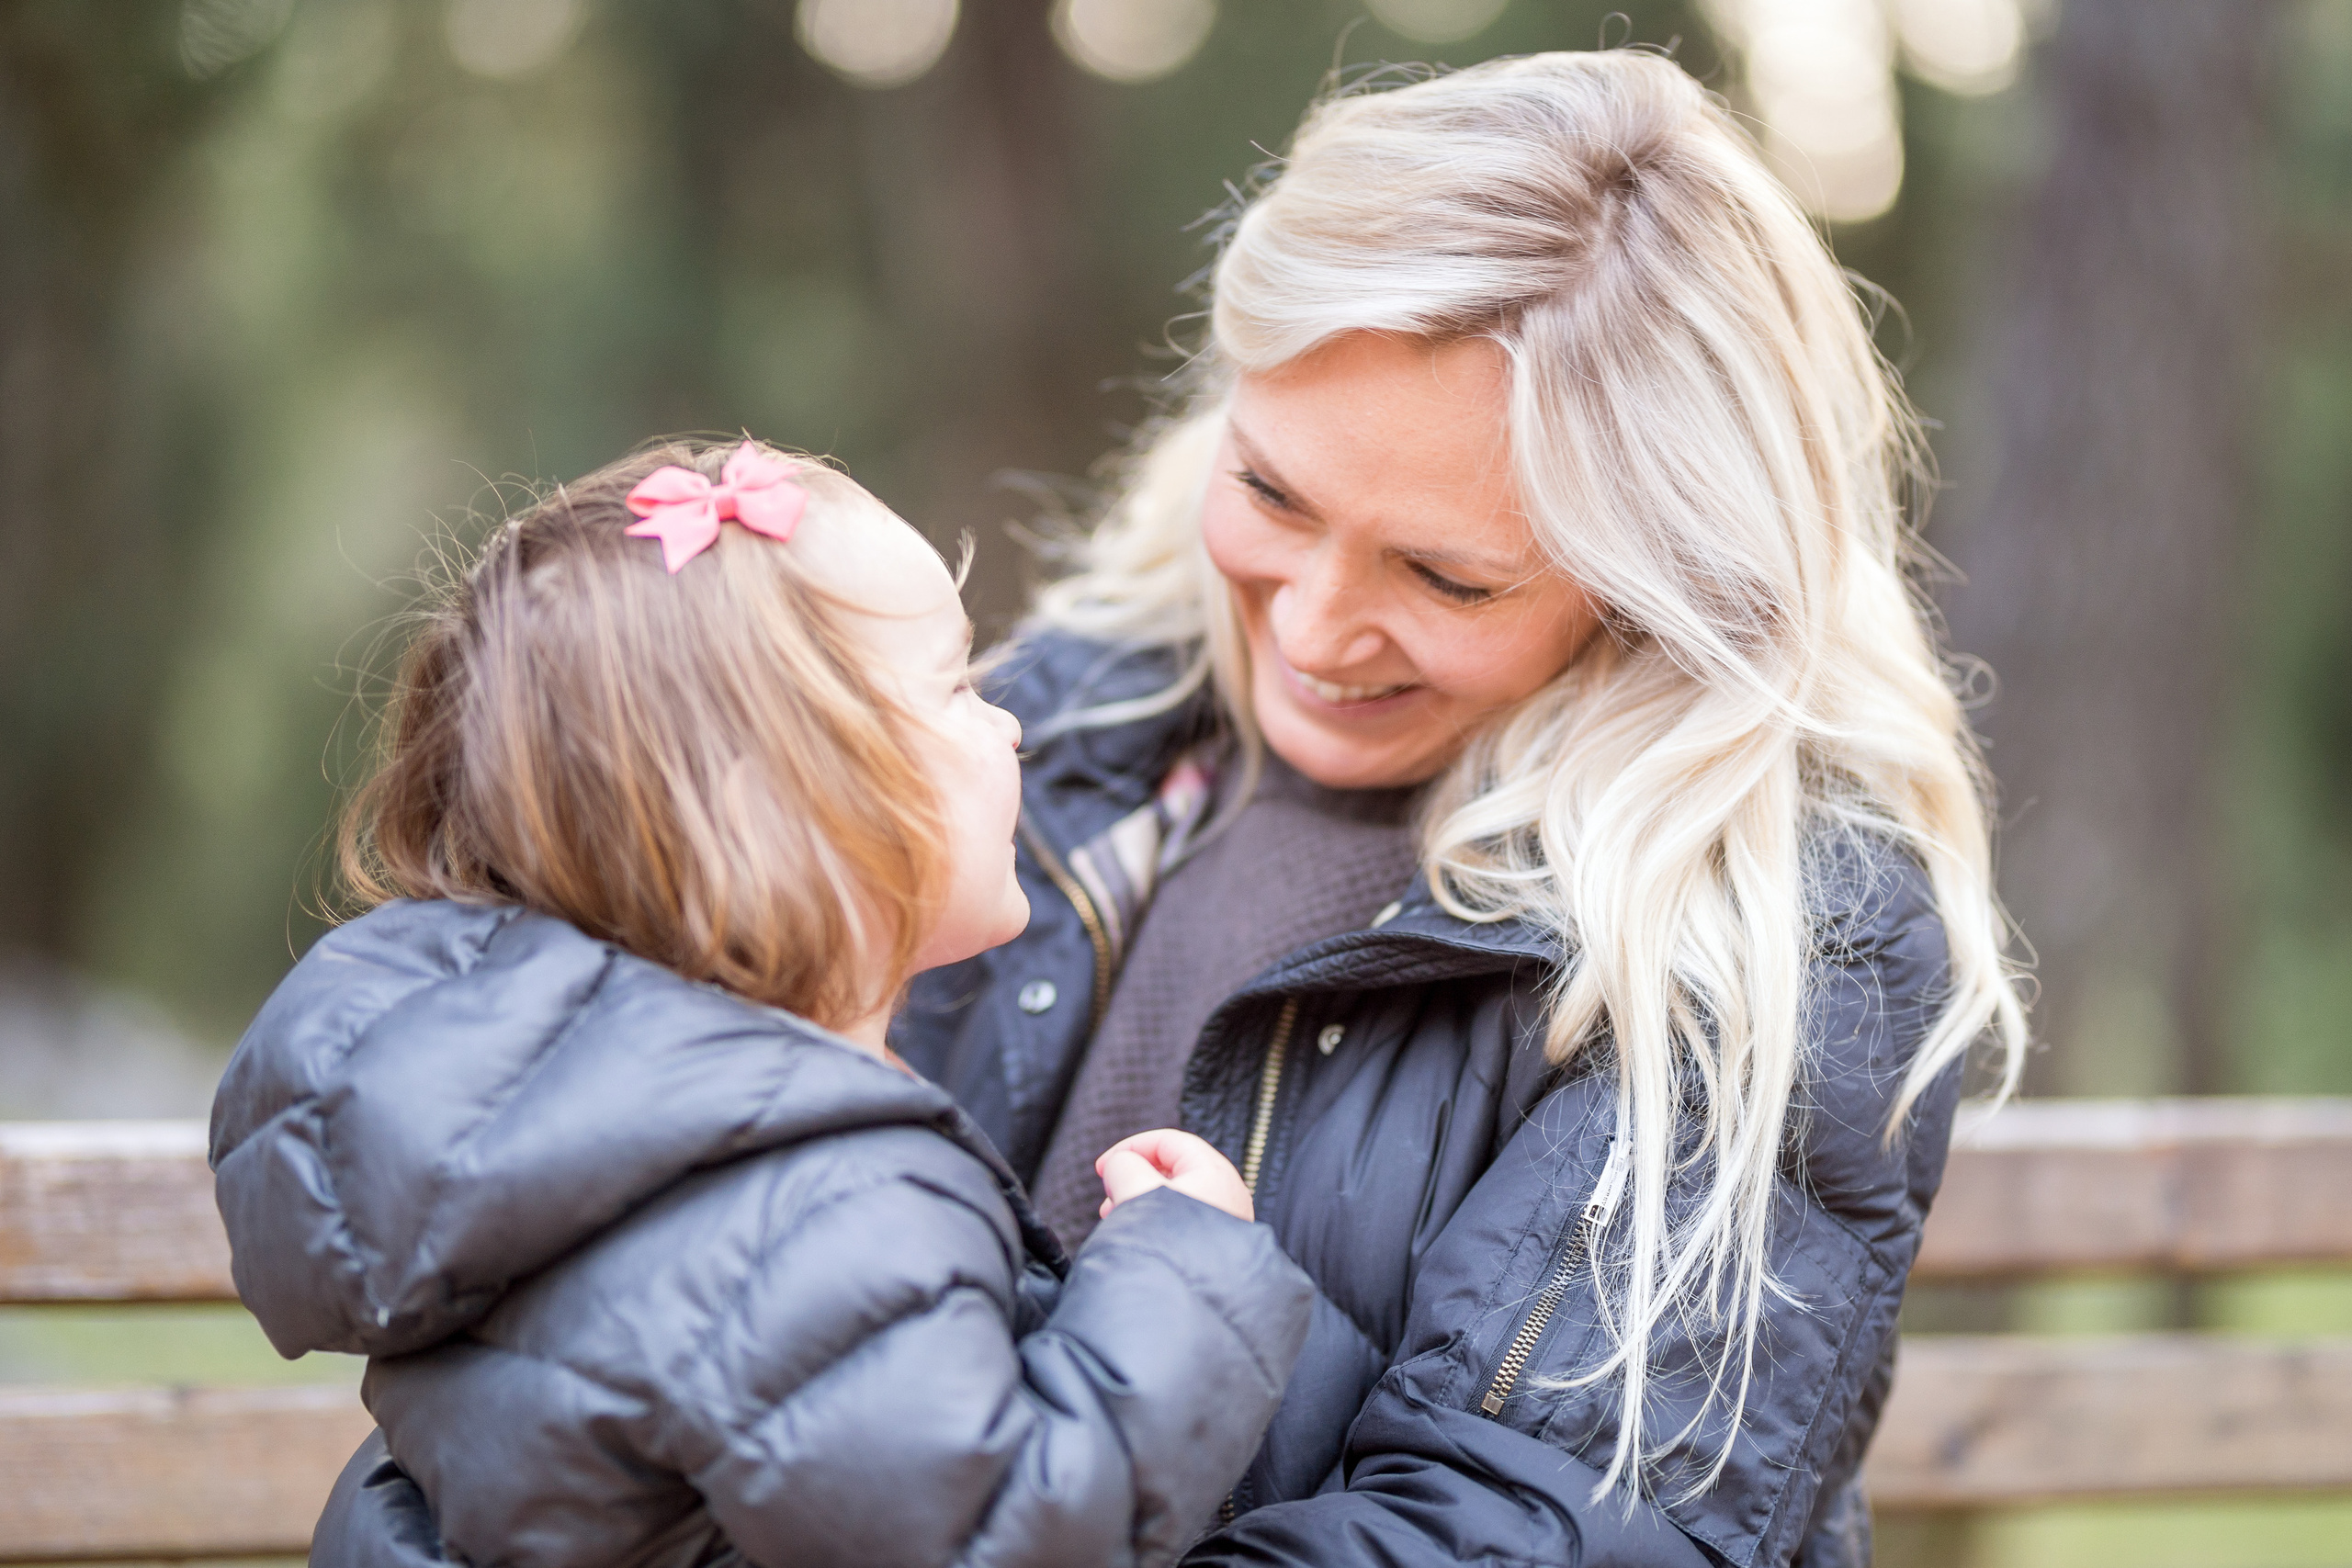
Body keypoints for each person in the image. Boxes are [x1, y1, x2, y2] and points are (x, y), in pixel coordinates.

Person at [894, 50, 2030, 1568]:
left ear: (1662, 588)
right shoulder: (1059, 721)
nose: (1308, 628)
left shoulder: (1781, 927)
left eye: (1446, 576)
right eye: (1273, 493)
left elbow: (1532, 1531)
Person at [209, 439, 1316, 1568]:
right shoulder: (794, 1206)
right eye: (955, 690)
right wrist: (1183, 1279)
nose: (1011, 726)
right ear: (779, 820)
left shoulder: (601, 1148)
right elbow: (995, 1538)